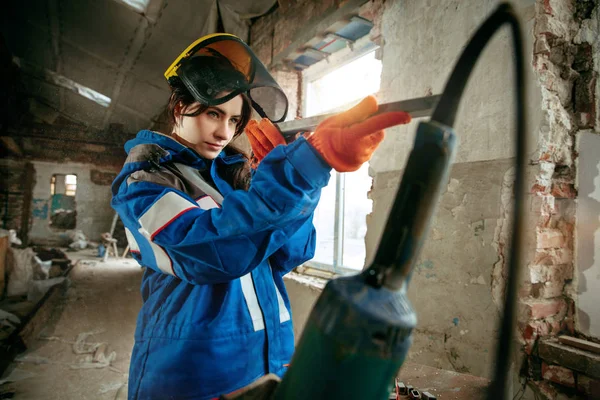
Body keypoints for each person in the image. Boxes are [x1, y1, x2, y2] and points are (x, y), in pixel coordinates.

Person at [111, 33, 411, 400]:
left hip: (270, 359)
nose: (224, 132)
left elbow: (291, 254)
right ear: (178, 108)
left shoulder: (237, 176)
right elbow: (210, 254)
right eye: (212, 113)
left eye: (235, 120)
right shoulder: (145, 181)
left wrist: (296, 181)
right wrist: (301, 169)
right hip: (193, 373)